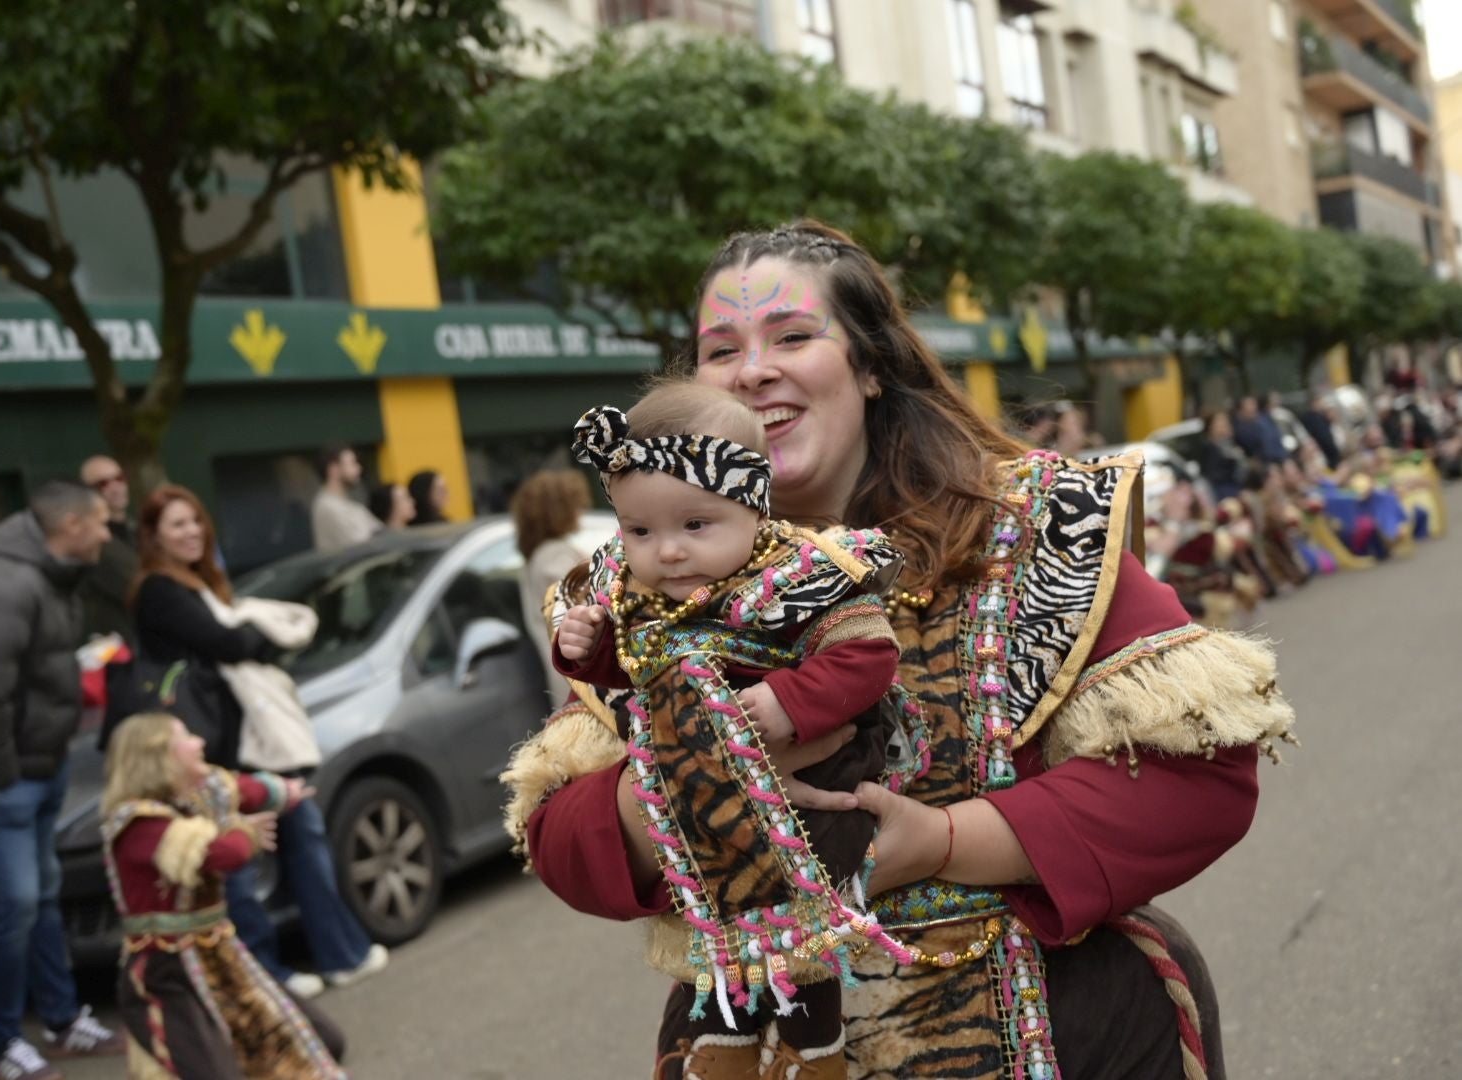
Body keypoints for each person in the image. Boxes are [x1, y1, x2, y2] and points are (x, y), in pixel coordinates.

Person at [503, 222, 1296, 1080]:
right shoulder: (638, 583)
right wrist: (683, 784)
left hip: (1050, 1028)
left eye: (794, 337)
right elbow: (559, 836)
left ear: (871, 366)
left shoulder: (1033, 525)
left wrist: (944, 839)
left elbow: (1200, 772)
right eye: (719, 348)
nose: (753, 369)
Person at [543, 389, 916, 1074]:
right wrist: (584, 645)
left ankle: (814, 1042)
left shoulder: (800, 573)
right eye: (640, 531)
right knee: (715, 919)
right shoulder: (631, 595)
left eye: (695, 523)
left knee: (796, 921)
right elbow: (623, 672)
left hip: (816, 792)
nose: (670, 552)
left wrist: (787, 702)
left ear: (754, 506)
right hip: (702, 802)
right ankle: (727, 1031)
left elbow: (868, 653)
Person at [131, 485, 386, 1000]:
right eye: (176, 524)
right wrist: (263, 637)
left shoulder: (204, 584)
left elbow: (233, 641)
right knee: (241, 864)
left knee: (300, 839)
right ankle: (270, 974)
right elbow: (229, 643)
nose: (190, 532)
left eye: (195, 521)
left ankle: (338, 954)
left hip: (247, 744)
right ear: (153, 535)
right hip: (213, 750)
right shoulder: (160, 590)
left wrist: (250, 637)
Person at [0, 481, 124, 1078]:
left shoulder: (48, 576)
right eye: (99, 522)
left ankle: (62, 1022)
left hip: (38, 765)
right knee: (15, 902)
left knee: (41, 896)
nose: (107, 533)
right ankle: (5, 1041)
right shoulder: (9, 585)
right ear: (68, 526)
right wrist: (2, 778)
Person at [100, 713, 346, 1078]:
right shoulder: (138, 823)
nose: (199, 742)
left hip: (219, 955)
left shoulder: (198, 795)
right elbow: (222, 853)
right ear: (158, 757)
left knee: (319, 1045)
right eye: (184, 737)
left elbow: (244, 789)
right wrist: (241, 830)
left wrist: (286, 792)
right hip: (163, 974)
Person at [510, 468, 592, 705]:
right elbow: (589, 601)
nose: (581, 510)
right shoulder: (553, 556)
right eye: (574, 504)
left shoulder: (538, 554)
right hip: (581, 678)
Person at [77, 455, 139, 644]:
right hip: (124, 650)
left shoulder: (137, 531)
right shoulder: (91, 543)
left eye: (119, 478)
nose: (115, 487)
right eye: (103, 483)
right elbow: (143, 588)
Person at [311, 444, 383, 553]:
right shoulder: (327, 507)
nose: (359, 468)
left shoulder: (351, 505)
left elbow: (383, 533)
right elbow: (361, 547)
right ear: (333, 469)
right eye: (352, 463)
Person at [1198, 410, 1250, 502]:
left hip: (1237, 488)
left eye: (1225, 422)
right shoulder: (1210, 447)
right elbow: (1213, 476)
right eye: (1219, 422)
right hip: (1220, 493)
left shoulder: (1231, 444)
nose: (1224, 425)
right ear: (1211, 426)